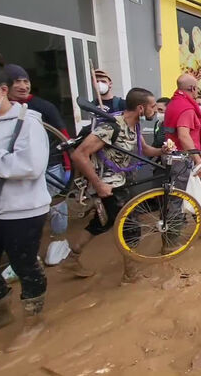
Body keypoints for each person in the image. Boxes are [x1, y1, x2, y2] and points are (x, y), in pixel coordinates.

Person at [61, 88, 167, 282]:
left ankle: (72, 257)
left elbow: (146, 150)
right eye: (153, 107)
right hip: (108, 184)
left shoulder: (134, 125)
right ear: (141, 108)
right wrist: (99, 184)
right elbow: (79, 155)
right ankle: (130, 273)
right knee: (131, 225)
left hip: (121, 181)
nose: (156, 111)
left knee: (105, 222)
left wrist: (163, 150)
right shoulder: (112, 126)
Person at [0, 58, 50, 351]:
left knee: (25, 266)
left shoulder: (27, 123)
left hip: (22, 211)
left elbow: (31, 167)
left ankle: (33, 322)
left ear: (0, 90)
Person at [4, 64, 72, 261]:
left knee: (57, 205)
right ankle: (26, 252)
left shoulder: (43, 107)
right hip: (17, 169)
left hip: (51, 166)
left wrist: (68, 168)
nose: (23, 86)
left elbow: (64, 139)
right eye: (17, 81)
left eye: (26, 81)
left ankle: (59, 240)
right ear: (5, 85)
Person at [163, 74, 201, 238]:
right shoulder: (186, 108)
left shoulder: (174, 104)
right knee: (178, 199)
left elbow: (180, 137)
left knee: (195, 193)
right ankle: (170, 242)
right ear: (193, 89)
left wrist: (198, 152)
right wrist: (197, 160)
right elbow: (183, 136)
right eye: (197, 89)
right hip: (182, 158)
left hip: (177, 154)